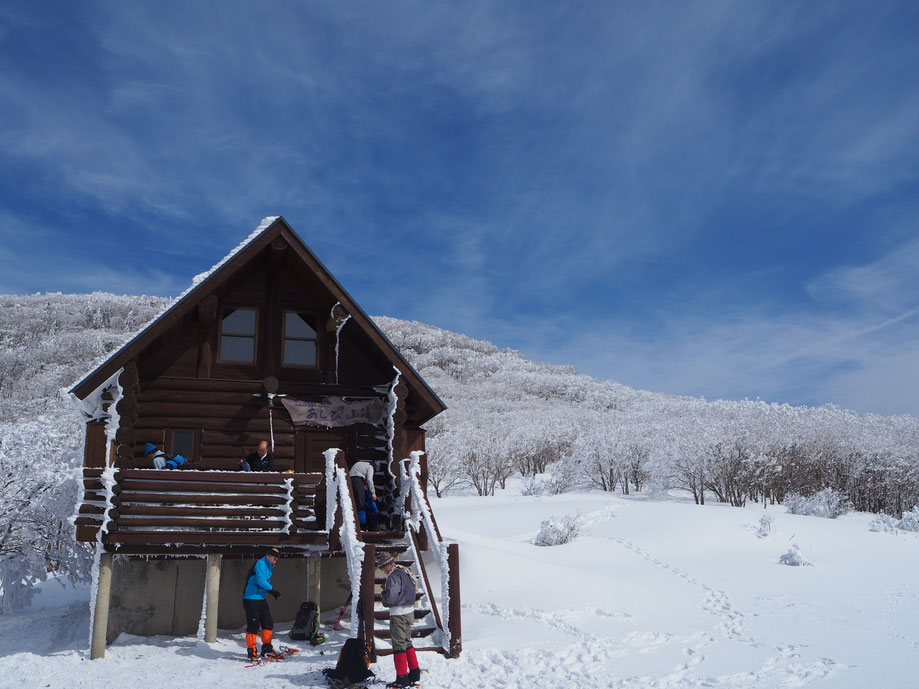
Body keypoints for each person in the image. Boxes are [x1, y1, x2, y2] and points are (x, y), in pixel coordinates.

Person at [377, 552, 420, 688]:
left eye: (382, 568)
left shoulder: (393, 576)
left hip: (399, 614)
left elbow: (390, 598)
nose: (383, 571)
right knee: (407, 642)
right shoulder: (404, 571)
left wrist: (384, 593)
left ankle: (402, 678)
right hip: (409, 612)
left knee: (399, 645)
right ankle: (414, 674)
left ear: (388, 565)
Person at [243, 547, 282, 661]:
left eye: (276, 560)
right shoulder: (260, 563)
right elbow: (261, 581)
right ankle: (252, 652)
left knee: (268, 623)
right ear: (268, 556)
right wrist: (273, 589)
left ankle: (267, 649)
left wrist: (271, 592)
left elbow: (262, 583)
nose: (275, 561)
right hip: (250, 599)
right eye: (274, 559)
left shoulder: (269, 566)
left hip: (260, 598)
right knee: (253, 626)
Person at [349, 460, 377, 529]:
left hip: (351, 479)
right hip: (357, 480)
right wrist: (373, 492)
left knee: (354, 502)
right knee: (361, 503)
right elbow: (370, 480)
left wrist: (363, 484)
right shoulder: (370, 467)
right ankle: (362, 525)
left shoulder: (362, 464)